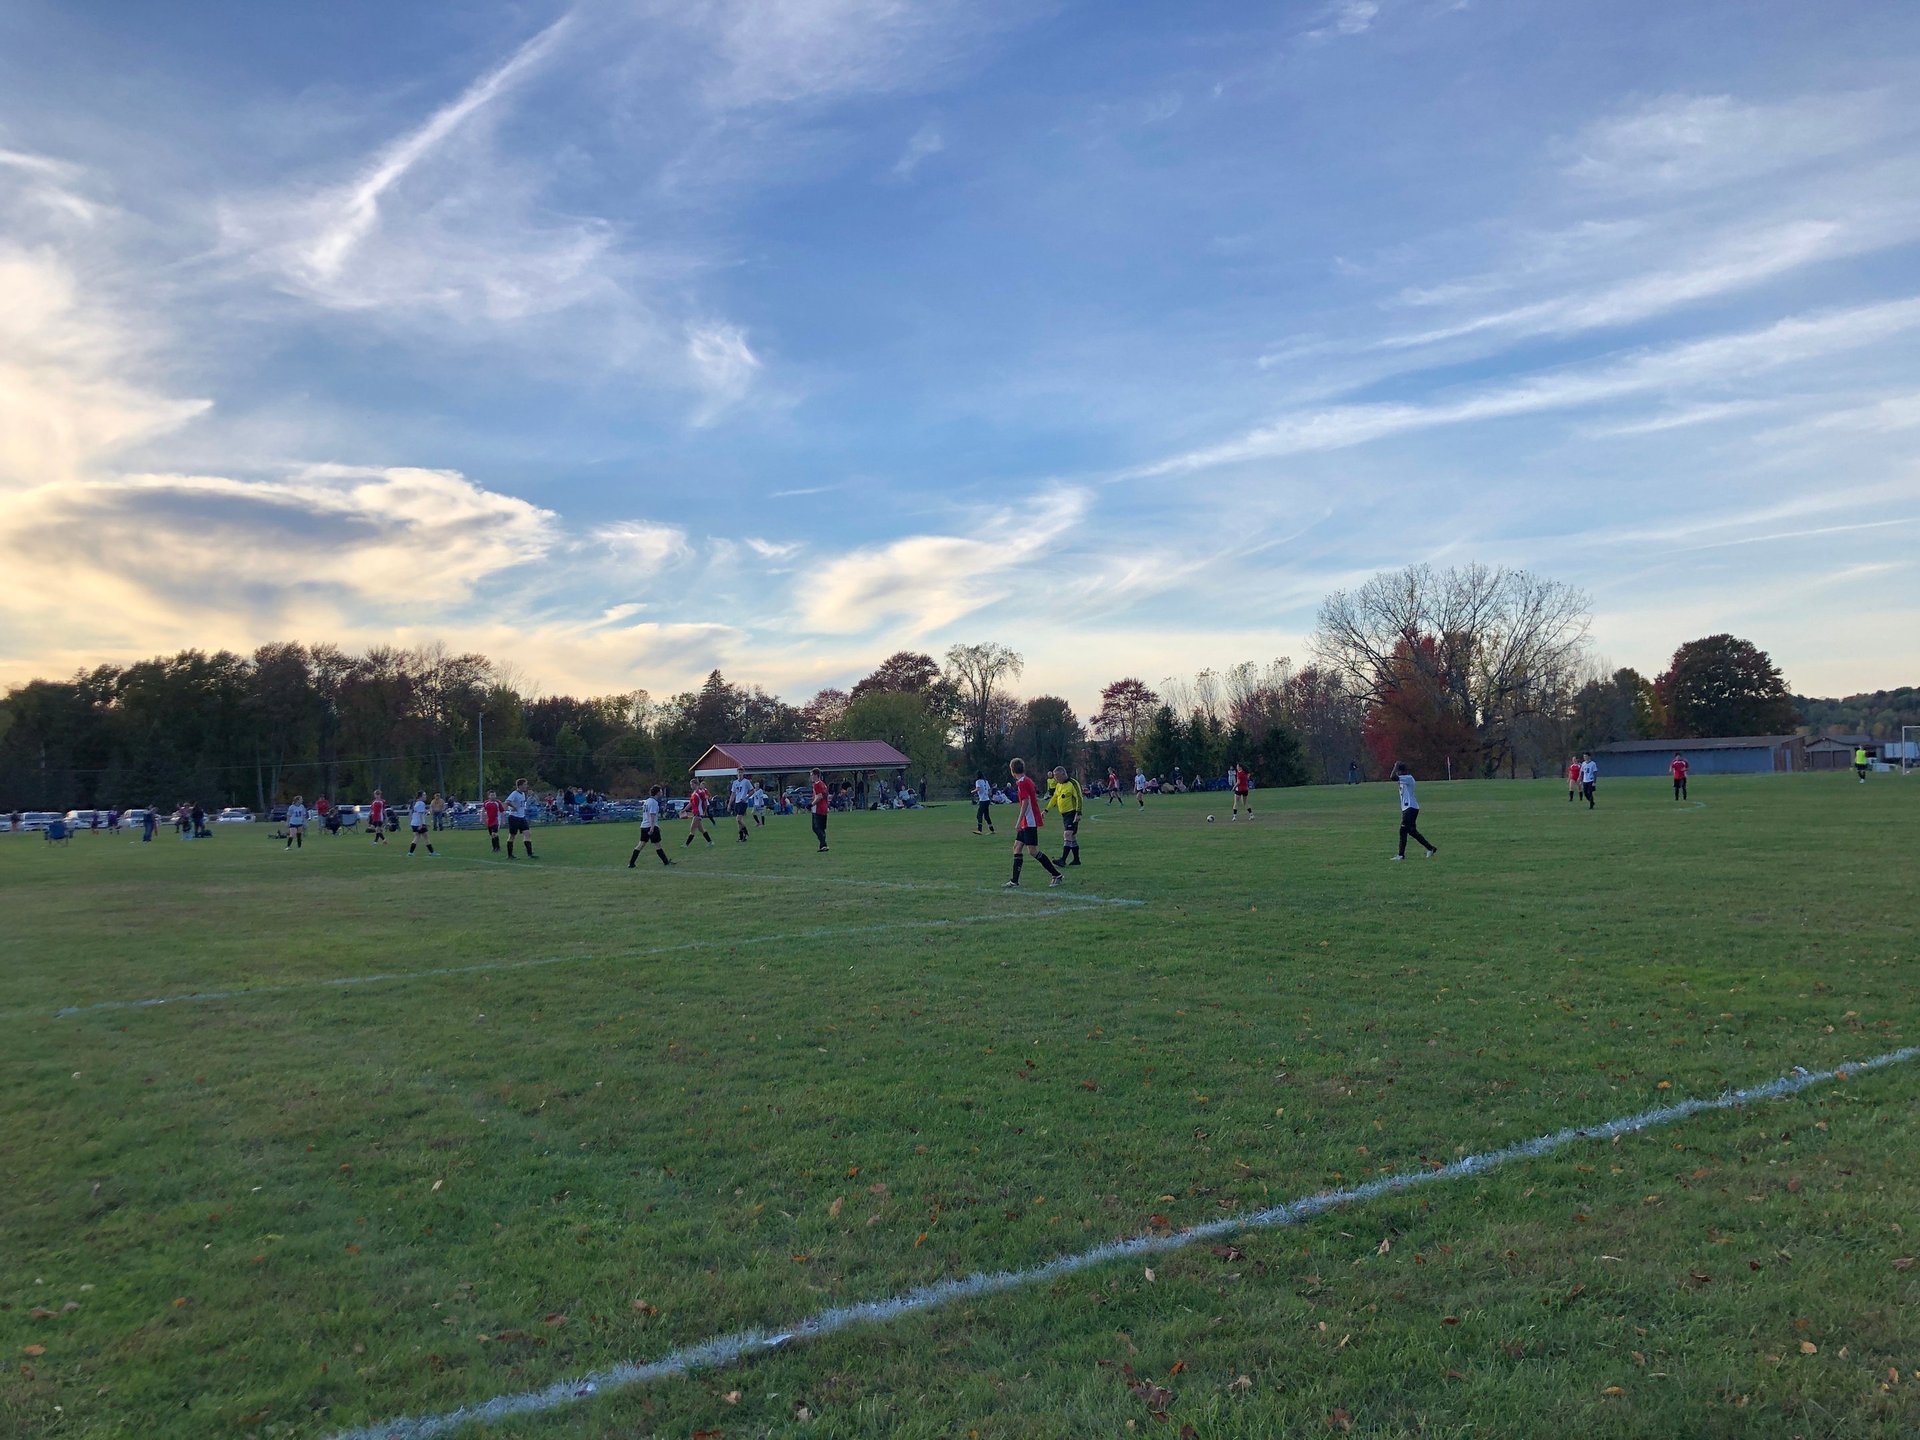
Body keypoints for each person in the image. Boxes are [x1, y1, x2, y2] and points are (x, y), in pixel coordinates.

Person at [1005, 758, 1064, 888]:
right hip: (1027, 821)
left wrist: (1019, 821)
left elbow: (1025, 802)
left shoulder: (1022, 783)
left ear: (1012, 770)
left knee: (1032, 851)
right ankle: (1014, 881)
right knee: (1017, 847)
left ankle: (1056, 875)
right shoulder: (1027, 780)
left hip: (1029, 821)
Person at [1391, 762, 1437, 860]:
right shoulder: (1404, 779)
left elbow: (1392, 777)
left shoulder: (1408, 778)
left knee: (1403, 830)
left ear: (1401, 771)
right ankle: (1431, 848)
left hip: (1410, 808)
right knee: (1412, 831)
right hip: (1408, 808)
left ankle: (1401, 855)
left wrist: (1395, 767)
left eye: (1398, 771)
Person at [629, 785, 673, 868]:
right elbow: (651, 815)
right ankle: (666, 862)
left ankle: (631, 863)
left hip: (644, 826)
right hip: (650, 826)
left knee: (641, 844)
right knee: (657, 845)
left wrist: (656, 825)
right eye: (660, 791)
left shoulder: (647, 801)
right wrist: (653, 827)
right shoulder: (653, 802)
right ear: (657, 793)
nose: (662, 793)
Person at [1048, 766, 1083, 867]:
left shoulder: (1073, 783)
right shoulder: (1059, 785)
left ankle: (1063, 859)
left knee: (1067, 834)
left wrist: (1078, 812)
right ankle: (1076, 860)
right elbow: (1055, 797)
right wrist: (1046, 810)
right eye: (1055, 777)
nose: (1056, 779)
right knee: (1071, 836)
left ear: (1064, 774)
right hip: (1065, 815)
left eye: (1058, 777)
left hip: (1072, 813)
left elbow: (1079, 798)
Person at [504, 779, 537, 859]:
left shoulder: (523, 794)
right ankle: (510, 855)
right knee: (512, 836)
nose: (526, 786)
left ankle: (530, 854)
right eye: (525, 784)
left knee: (527, 833)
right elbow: (507, 801)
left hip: (522, 817)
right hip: (514, 817)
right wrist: (514, 806)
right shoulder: (515, 793)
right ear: (520, 785)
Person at [684, 779, 715, 849]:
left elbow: (704, 802)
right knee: (701, 829)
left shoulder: (700, 792)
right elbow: (691, 803)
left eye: (692, 784)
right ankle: (710, 842)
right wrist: (684, 810)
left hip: (699, 813)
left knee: (692, 829)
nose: (691, 786)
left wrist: (704, 811)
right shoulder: (693, 793)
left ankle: (686, 845)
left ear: (696, 784)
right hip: (695, 812)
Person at [408, 792, 438, 857]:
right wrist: (422, 824)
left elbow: (417, 813)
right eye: (424, 795)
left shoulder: (416, 803)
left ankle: (410, 852)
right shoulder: (421, 803)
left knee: (417, 837)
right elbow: (420, 815)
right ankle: (432, 852)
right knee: (425, 837)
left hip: (414, 823)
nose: (425, 796)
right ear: (420, 796)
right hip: (419, 823)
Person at [809, 768, 831, 852]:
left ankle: (824, 844)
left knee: (816, 828)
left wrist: (811, 804)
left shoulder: (817, 785)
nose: (811, 777)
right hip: (824, 808)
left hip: (818, 809)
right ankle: (822, 846)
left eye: (811, 775)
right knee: (821, 828)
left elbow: (819, 796)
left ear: (815, 775)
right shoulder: (823, 784)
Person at [730, 772, 753, 842]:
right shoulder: (735, 782)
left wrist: (746, 798)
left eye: (741, 773)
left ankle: (746, 832)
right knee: (739, 821)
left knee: (738, 819)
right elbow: (733, 793)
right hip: (737, 802)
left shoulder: (746, 782)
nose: (739, 774)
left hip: (743, 802)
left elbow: (752, 791)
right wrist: (730, 803)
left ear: (743, 774)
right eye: (738, 773)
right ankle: (741, 837)